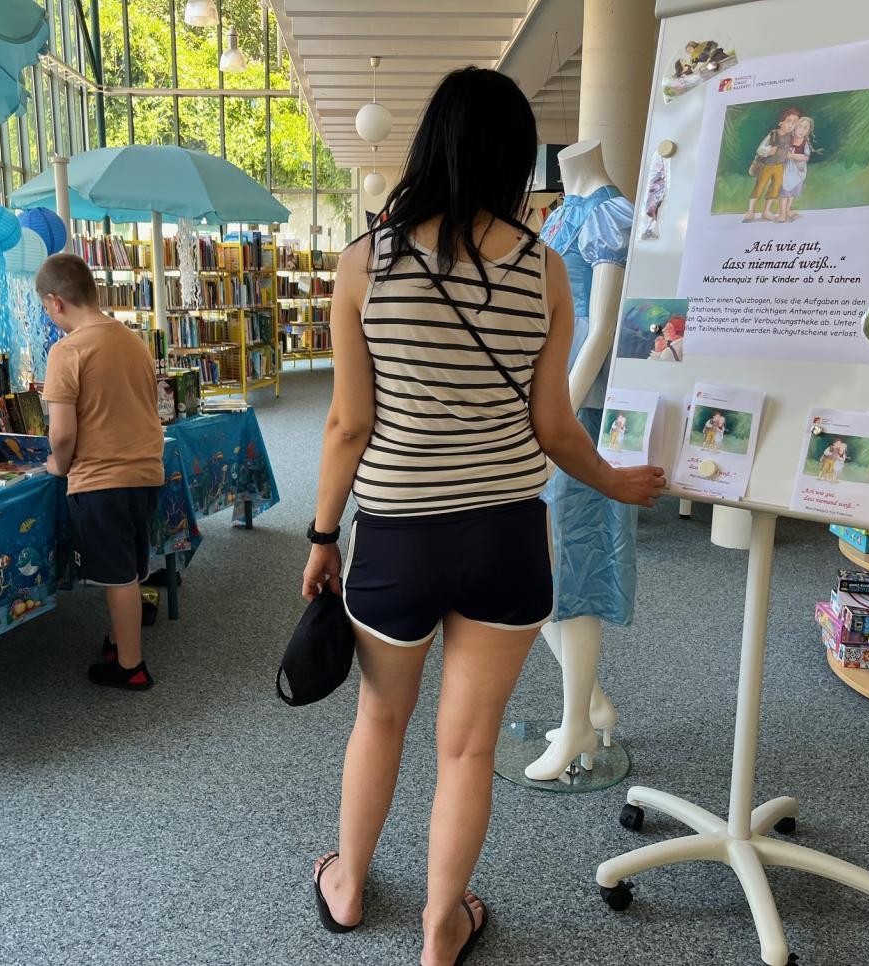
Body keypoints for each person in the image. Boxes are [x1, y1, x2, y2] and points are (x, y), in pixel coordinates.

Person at [300, 67, 666, 966]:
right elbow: (553, 425)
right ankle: (440, 928)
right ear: (510, 157)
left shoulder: (364, 261)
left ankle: (346, 888)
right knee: (466, 750)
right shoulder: (543, 270)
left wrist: (318, 535)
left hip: (395, 533)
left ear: (431, 144)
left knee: (380, 720)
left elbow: (349, 423)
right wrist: (616, 484)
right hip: (506, 533)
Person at [37, 253, 166, 691]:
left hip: (101, 479)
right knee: (129, 565)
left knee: (116, 575)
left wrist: (59, 464)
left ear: (55, 302)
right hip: (146, 471)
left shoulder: (67, 350)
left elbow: (61, 433)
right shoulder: (134, 340)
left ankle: (130, 666)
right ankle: (119, 639)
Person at [743, 107, 800, 223]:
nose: (791, 125)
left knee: (775, 189)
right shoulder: (773, 134)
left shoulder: (791, 137)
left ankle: (766, 211)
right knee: (759, 187)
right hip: (767, 165)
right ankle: (751, 211)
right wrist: (768, 150)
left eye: (794, 123)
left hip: (780, 166)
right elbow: (760, 149)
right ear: (781, 123)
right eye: (789, 121)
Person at [779, 116, 815, 223]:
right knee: (785, 192)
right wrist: (787, 155)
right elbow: (781, 152)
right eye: (800, 127)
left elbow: (806, 157)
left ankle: (788, 209)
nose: (802, 130)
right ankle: (782, 213)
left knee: (793, 192)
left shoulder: (805, 143)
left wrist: (793, 156)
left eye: (805, 128)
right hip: (787, 171)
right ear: (795, 127)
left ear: (808, 131)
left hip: (798, 172)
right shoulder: (788, 139)